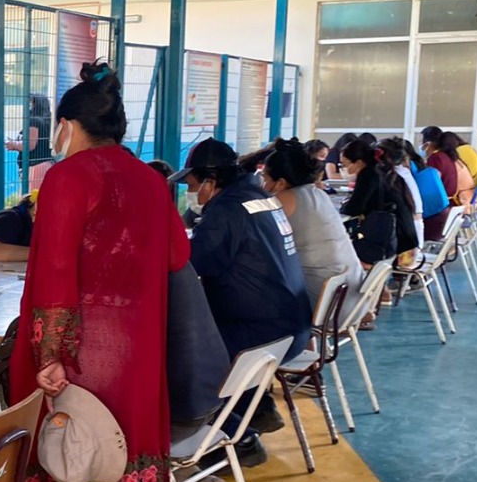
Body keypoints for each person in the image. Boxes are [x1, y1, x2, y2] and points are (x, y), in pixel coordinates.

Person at [10, 62, 189, 482]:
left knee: (72, 463)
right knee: (109, 462)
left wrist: (48, 355)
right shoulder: (148, 179)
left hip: (82, 351)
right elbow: (175, 257)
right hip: (134, 352)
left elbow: (58, 273)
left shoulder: (67, 177)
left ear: (66, 125)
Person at [173, 137, 313, 365]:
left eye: (191, 185)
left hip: (259, 337)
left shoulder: (226, 211)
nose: (190, 194)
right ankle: (254, 399)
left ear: (210, 181)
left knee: (176, 351)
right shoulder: (258, 196)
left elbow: (189, 263)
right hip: (293, 329)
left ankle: (232, 400)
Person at [259, 138, 364, 307]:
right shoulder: (318, 193)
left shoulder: (284, 199)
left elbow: (259, 240)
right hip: (349, 298)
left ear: (280, 183)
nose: (263, 186)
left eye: (265, 179)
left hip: (322, 301)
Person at [340, 136, 418, 267]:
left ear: (358, 162)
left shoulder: (369, 174)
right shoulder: (384, 171)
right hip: (407, 244)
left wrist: (343, 205)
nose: (342, 168)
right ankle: (381, 286)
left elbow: (354, 208)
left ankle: (377, 286)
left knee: (343, 253)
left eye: (344, 164)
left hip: (393, 249)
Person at [7, 92, 55, 191]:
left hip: (34, 166)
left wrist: (14, 144)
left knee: (31, 198)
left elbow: (30, 145)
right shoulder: (49, 120)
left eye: (30, 104)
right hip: (47, 163)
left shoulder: (34, 121)